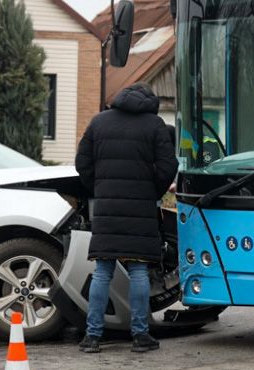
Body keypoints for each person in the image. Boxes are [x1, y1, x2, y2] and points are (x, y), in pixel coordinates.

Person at [74, 82, 178, 353]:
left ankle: (92, 336)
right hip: (141, 209)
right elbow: (169, 166)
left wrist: (99, 188)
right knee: (139, 270)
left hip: (107, 207)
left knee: (102, 271)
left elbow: (81, 163)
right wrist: (152, 191)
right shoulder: (155, 125)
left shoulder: (99, 122)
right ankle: (140, 335)